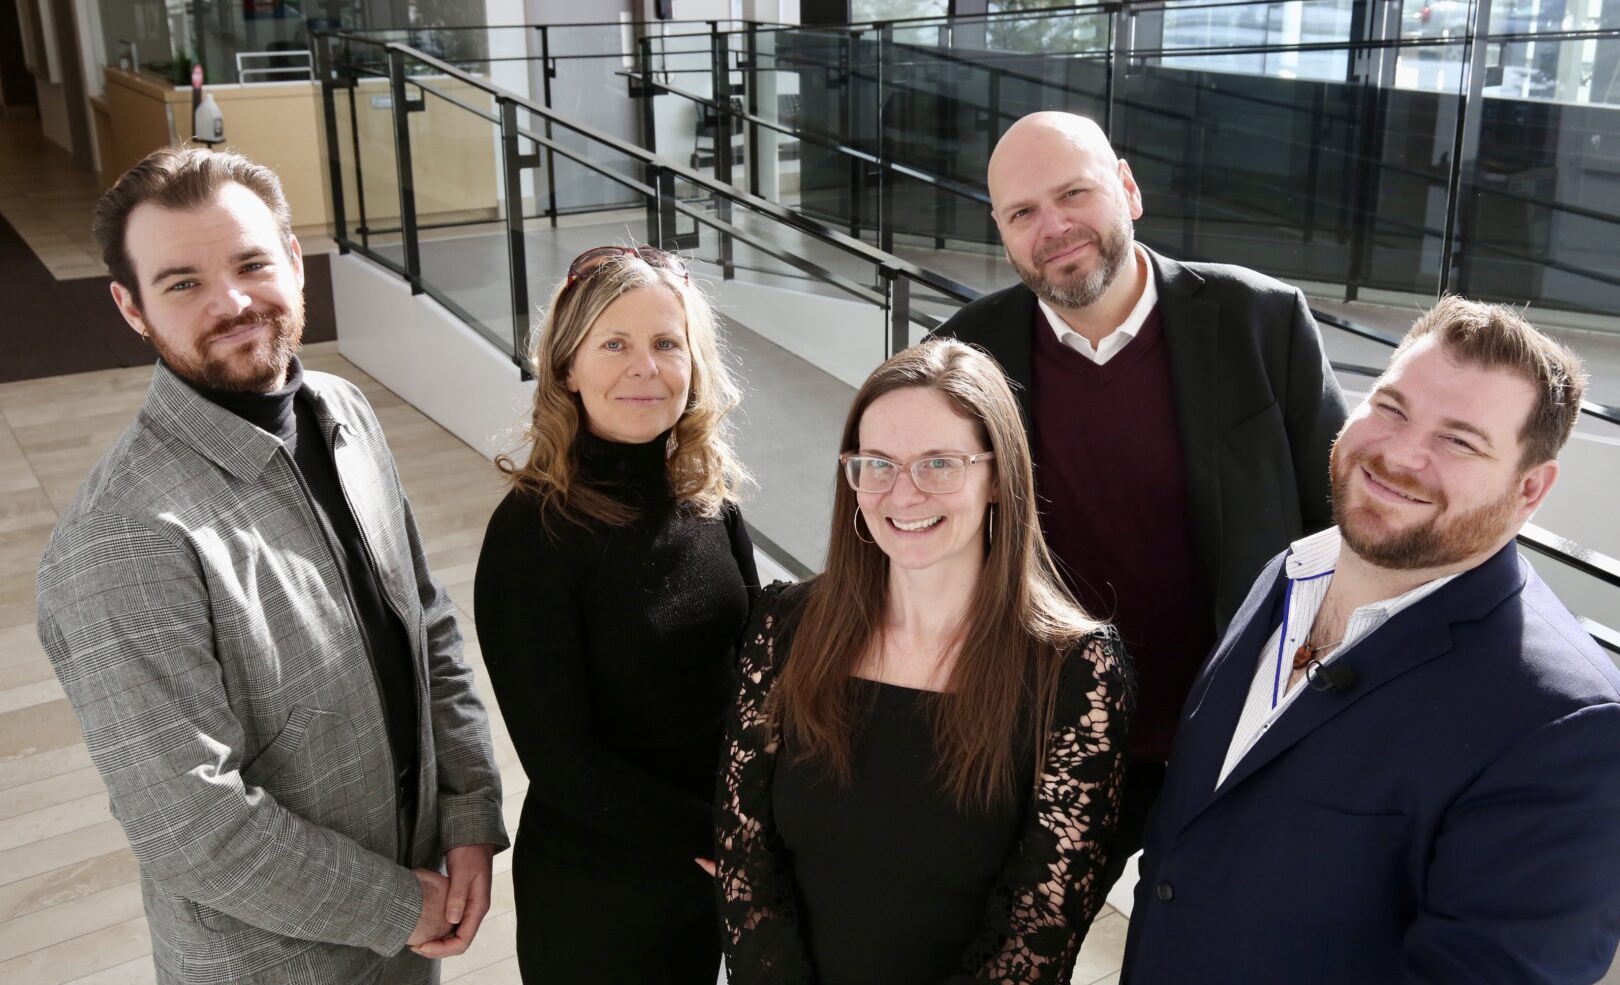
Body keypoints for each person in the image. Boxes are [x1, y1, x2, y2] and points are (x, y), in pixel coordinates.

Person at [35, 145, 508, 985]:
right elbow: (192, 826)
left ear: (295, 260)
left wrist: (468, 815)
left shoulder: (344, 410)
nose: (232, 301)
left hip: (412, 906)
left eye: (253, 262)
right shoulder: (124, 538)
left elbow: (426, 620)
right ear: (131, 308)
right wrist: (400, 906)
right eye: (182, 283)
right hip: (277, 962)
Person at [1124, 297, 1620, 983]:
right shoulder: (1289, 568)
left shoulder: (1571, 726)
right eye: (1391, 407)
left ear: (1529, 489)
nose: (1401, 454)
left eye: (1460, 439)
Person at [934, 111, 1347, 885]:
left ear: (1127, 187)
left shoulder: (1265, 321)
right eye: (1023, 213)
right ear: (1001, 231)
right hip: (1052, 734)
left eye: (1074, 193)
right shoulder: (964, 355)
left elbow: (1341, 523)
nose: (1053, 227)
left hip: (1234, 728)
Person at [717, 339, 1135, 985]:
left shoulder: (1075, 672)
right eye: (877, 464)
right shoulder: (783, 629)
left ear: (997, 476)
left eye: (938, 463)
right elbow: (745, 858)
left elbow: (1040, 928)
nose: (903, 493)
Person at [474, 245, 760, 983]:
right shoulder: (534, 531)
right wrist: (724, 832)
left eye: (668, 343)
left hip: (707, 877)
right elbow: (564, 763)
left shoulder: (707, 497)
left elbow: (752, 667)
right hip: (603, 894)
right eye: (615, 344)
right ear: (567, 367)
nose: (647, 367)